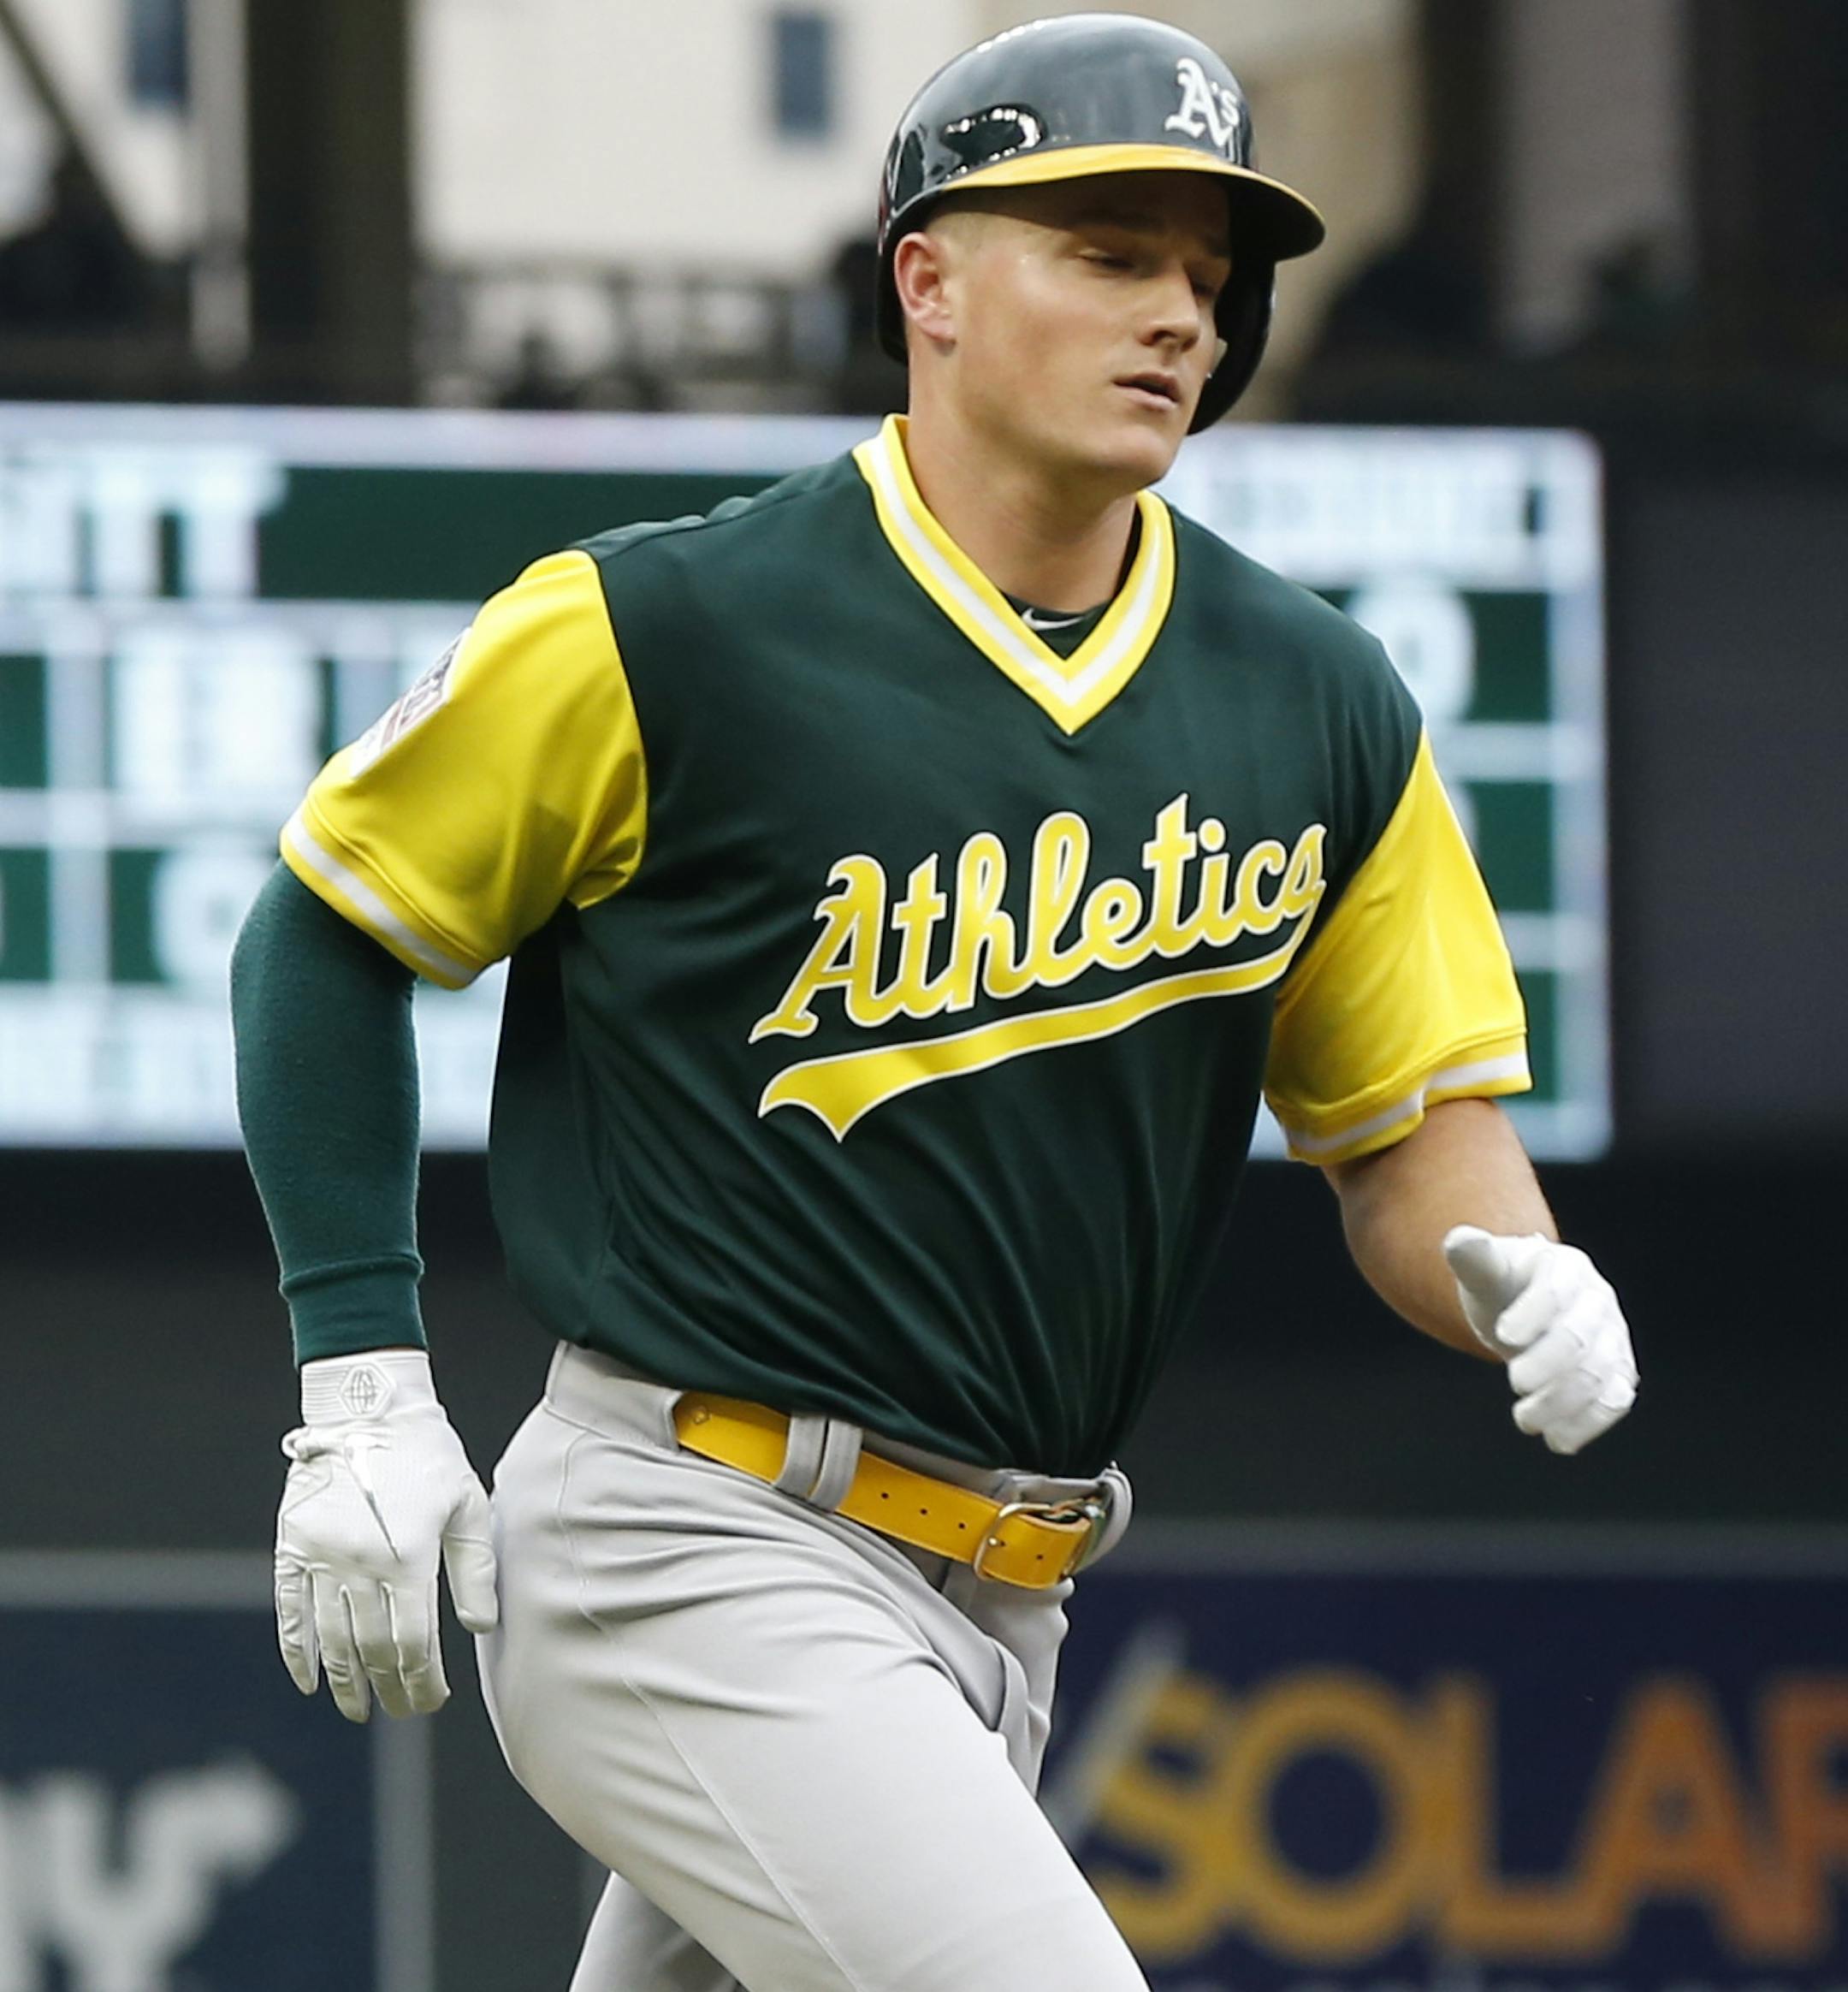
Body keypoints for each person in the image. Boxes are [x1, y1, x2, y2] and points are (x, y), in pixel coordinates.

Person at [231, 15, 1638, 1991]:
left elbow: (1411, 1135)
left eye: (1209, 276)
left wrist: (1520, 1270)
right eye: (1112, 254)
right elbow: (324, 926)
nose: (1181, 315)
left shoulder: (1315, 695)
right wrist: (360, 1382)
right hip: (689, 1535)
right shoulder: (671, 625)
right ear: (930, 283)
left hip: (1004, 1602)